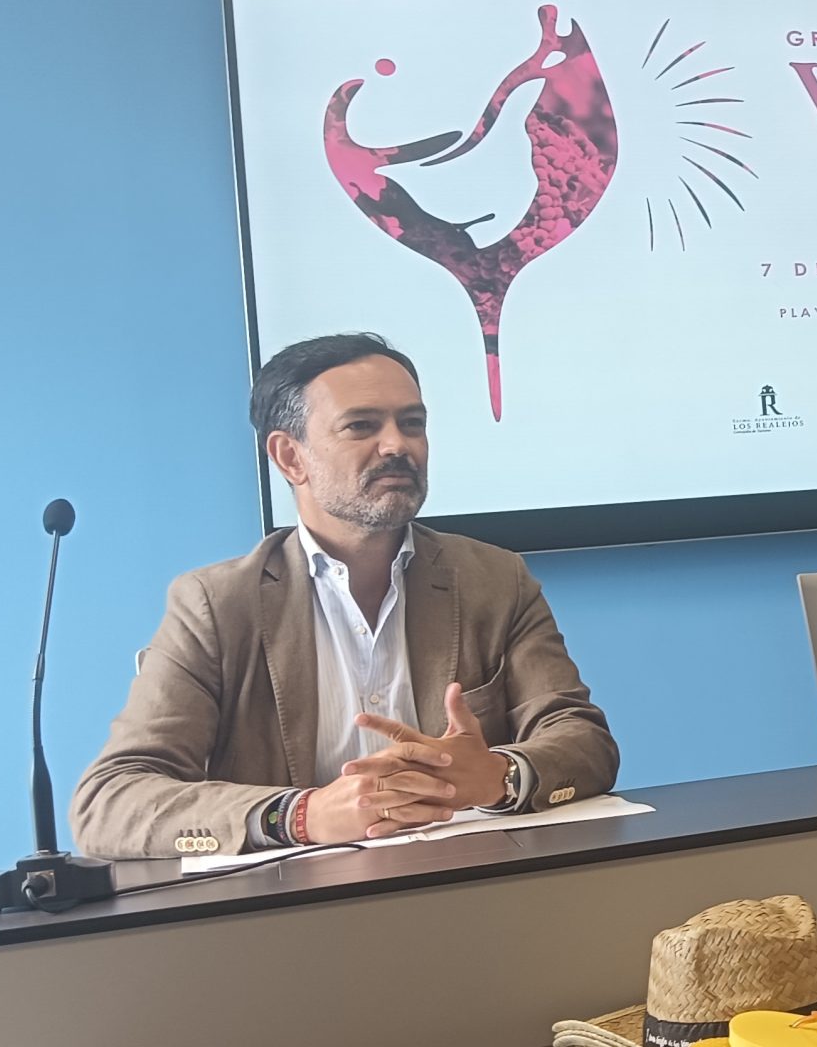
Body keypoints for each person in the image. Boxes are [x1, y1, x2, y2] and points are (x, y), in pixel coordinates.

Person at [71, 333, 617, 857]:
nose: (398, 445)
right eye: (361, 426)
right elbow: (111, 801)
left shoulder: (493, 580)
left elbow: (583, 741)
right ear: (290, 457)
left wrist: (499, 775)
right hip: (294, 906)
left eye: (412, 424)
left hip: (474, 889)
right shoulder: (215, 606)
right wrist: (299, 816)